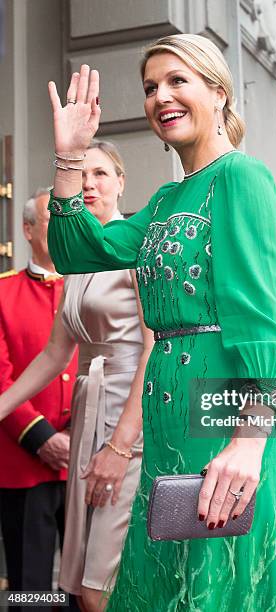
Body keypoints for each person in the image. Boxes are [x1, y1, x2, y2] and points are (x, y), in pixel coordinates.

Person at [42, 34, 276, 611]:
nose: (160, 96)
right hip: (167, 426)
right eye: (149, 87)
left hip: (225, 417)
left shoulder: (241, 177)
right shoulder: (165, 200)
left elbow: (267, 327)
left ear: (217, 92)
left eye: (177, 81)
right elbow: (76, 251)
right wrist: (69, 156)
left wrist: (248, 439)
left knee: (220, 585)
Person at [0, 140, 153, 612]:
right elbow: (52, 355)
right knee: (51, 587)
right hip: (53, 446)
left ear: (121, 182)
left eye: (101, 174)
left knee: (96, 584)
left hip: (122, 425)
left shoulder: (134, 246)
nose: (89, 184)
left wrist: (121, 443)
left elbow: (153, 345)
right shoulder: (72, 264)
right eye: (80, 175)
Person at [0, 189, 77, 608]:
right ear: (28, 230)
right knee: (30, 588)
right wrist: (42, 438)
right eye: (52, 219)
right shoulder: (3, 293)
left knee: (88, 586)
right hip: (22, 464)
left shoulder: (91, 289)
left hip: (86, 462)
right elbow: (1, 379)